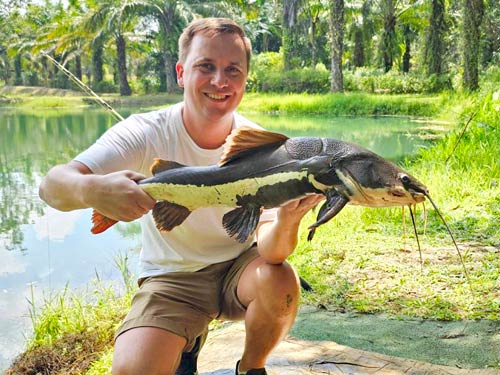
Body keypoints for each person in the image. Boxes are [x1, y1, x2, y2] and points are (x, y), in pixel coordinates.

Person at [39, 17, 323, 375]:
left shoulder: (263, 145)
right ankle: (184, 343)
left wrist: (287, 218)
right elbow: (51, 186)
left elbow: (272, 251)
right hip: (173, 278)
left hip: (241, 267)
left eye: (232, 70)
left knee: (280, 279)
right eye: (206, 66)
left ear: (245, 79)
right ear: (181, 73)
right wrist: (94, 188)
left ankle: (250, 368)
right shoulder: (144, 131)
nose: (220, 81)